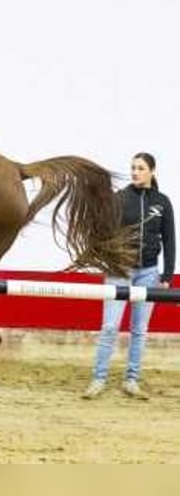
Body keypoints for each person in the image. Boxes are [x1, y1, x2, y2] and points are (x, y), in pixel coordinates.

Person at [82, 152, 175, 400]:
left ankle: (131, 380)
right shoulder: (119, 199)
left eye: (141, 168)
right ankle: (98, 379)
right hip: (119, 271)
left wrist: (167, 275)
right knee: (110, 327)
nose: (135, 172)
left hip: (149, 273)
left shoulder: (163, 202)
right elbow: (102, 232)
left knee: (139, 330)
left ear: (152, 171)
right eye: (133, 168)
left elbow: (169, 240)